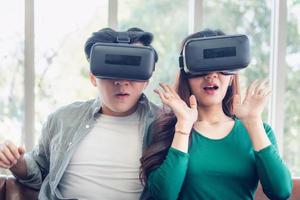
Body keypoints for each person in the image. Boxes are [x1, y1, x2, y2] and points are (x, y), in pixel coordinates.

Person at [0, 27, 161, 200]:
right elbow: (40, 174)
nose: (121, 82)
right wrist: (16, 163)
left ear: (147, 78)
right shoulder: (62, 120)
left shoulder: (165, 125)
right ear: (93, 77)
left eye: (131, 68)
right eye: (110, 70)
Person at [140, 29, 292, 200]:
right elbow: (164, 196)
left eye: (220, 69)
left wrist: (253, 122)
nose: (211, 75)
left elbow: (281, 192)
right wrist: (183, 127)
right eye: (201, 69)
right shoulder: (163, 129)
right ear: (186, 76)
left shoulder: (260, 130)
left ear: (232, 78)